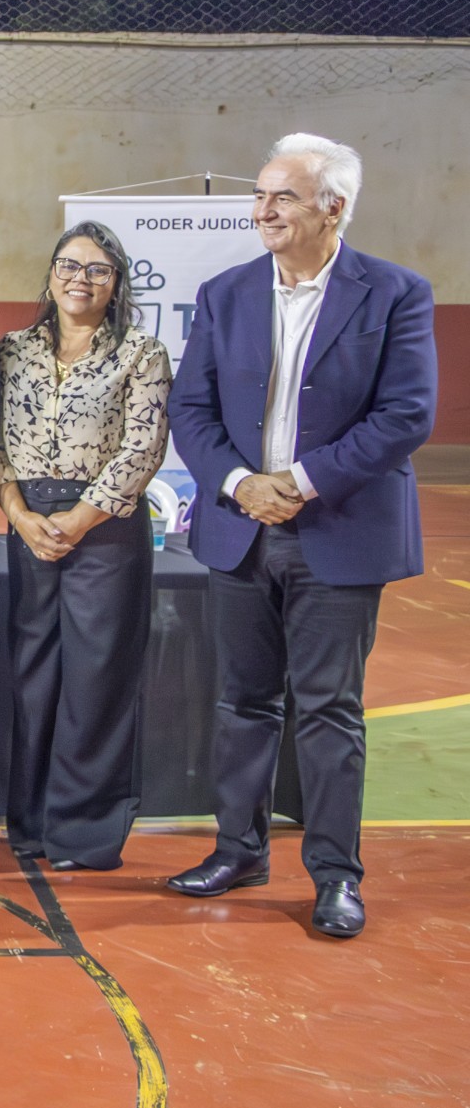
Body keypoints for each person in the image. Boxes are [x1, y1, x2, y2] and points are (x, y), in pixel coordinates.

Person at [164, 133, 436, 939]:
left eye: (282, 196)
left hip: (339, 531)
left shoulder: (396, 293)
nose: (263, 210)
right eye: (260, 195)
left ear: (333, 208)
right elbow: (191, 408)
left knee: (329, 710)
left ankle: (335, 874)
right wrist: (241, 483)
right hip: (240, 528)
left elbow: (406, 413)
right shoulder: (225, 293)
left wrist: (302, 482)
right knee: (242, 701)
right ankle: (238, 849)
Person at [0, 222, 171, 872]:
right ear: (50, 274)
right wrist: (19, 515)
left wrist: (79, 519)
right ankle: (31, 824)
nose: (81, 278)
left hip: (105, 531)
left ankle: (84, 833)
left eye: (98, 269)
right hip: (29, 527)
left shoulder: (142, 353)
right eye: (69, 265)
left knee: (96, 679)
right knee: (33, 676)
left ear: (116, 283)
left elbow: (142, 447)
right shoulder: (13, 351)